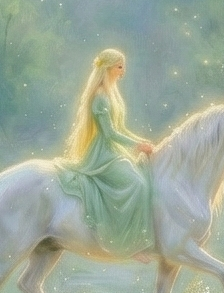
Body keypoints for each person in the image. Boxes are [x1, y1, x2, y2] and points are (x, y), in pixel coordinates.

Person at [56, 48, 157, 256]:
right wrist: (137, 145)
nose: (123, 71)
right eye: (120, 67)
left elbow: (120, 129)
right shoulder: (100, 97)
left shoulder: (112, 94)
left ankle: (138, 238)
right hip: (103, 154)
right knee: (137, 184)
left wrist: (140, 141)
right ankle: (126, 242)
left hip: (114, 150)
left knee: (143, 176)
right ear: (109, 68)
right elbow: (110, 134)